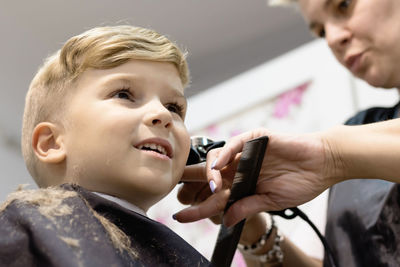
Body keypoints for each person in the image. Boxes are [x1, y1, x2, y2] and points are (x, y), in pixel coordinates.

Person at [0, 25, 266, 266]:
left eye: (174, 107)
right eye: (124, 95)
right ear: (52, 143)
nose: (162, 115)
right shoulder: (29, 226)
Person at [174, 0, 400, 266]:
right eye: (321, 32)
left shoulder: (342, 145)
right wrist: (252, 229)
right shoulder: (358, 128)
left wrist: (332, 156)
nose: (333, 39)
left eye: (343, 6)